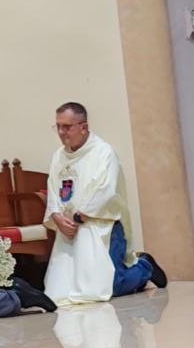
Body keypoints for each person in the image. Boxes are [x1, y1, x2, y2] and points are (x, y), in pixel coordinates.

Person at [43, 103, 165, 307]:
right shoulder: (59, 156)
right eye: (58, 126)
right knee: (58, 291)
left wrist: (80, 216)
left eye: (67, 127)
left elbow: (106, 190)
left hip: (102, 226)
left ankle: (145, 266)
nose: (61, 132)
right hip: (69, 230)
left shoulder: (103, 152)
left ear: (84, 127)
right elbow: (53, 189)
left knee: (109, 287)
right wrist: (56, 217)